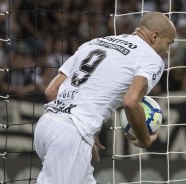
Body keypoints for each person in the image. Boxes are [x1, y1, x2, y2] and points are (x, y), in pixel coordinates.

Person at [34, 11, 176, 184]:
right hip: (70, 135)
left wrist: (84, 128)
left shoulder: (95, 42)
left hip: (46, 125)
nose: (167, 51)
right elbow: (131, 102)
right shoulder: (151, 58)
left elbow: (52, 90)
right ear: (154, 37)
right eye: (169, 43)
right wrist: (145, 139)